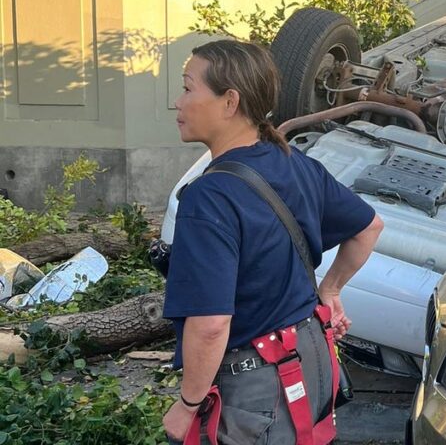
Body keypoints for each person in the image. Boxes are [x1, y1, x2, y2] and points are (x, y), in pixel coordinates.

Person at [162, 39, 383, 444]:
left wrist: (188, 404)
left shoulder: (209, 197)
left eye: (188, 88)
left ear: (230, 102)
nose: (177, 102)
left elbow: (211, 325)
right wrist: (329, 290)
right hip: (312, 358)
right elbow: (369, 227)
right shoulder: (294, 162)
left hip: (258, 388)